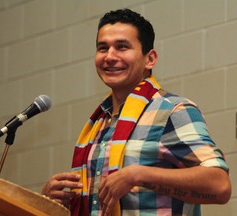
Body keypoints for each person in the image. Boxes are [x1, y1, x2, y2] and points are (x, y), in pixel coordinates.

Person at [41, 8, 231, 216]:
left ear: (150, 59)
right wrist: (50, 199)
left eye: (122, 47)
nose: (110, 57)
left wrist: (139, 175)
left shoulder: (172, 110)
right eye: (103, 48)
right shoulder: (99, 124)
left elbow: (220, 186)